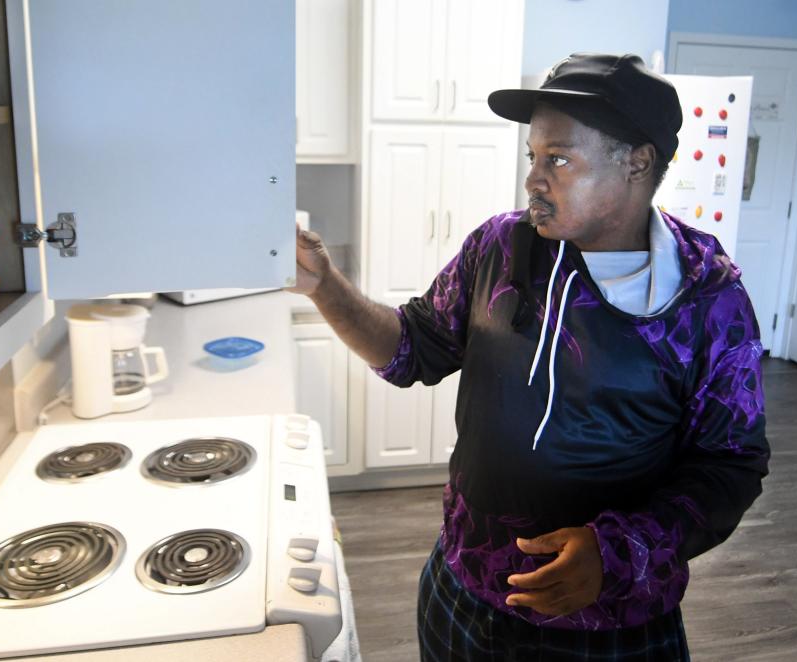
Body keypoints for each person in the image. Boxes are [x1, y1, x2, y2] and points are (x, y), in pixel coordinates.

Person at [292, 53, 770, 661]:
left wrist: (619, 552)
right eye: (533, 157)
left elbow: (731, 462)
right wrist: (324, 286)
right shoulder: (499, 246)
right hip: (461, 588)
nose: (533, 180)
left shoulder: (706, 297)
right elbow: (412, 348)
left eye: (559, 159)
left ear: (637, 162)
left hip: (607, 623)